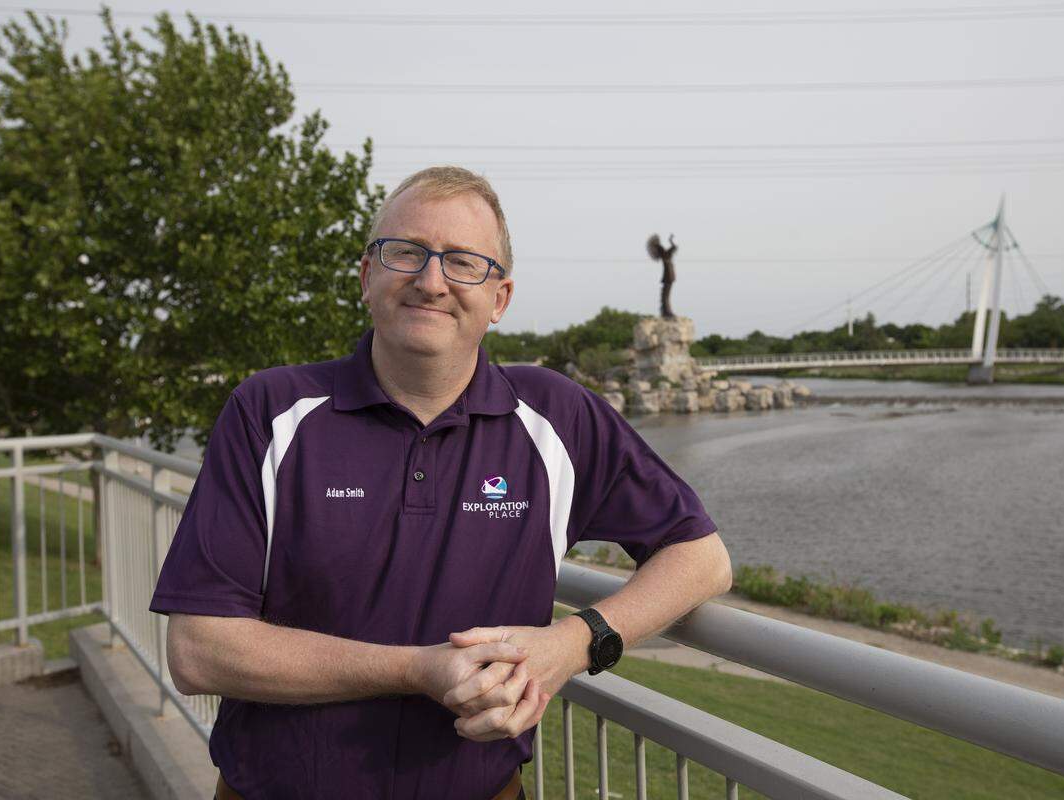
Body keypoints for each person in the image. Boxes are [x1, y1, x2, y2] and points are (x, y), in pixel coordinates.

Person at [149, 166, 732, 800]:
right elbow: (199, 651)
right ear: (367, 276)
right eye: (406, 253)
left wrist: (573, 643)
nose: (432, 282)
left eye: (463, 263)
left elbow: (702, 559)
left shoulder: (556, 418)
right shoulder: (270, 410)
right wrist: (418, 669)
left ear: (500, 299)